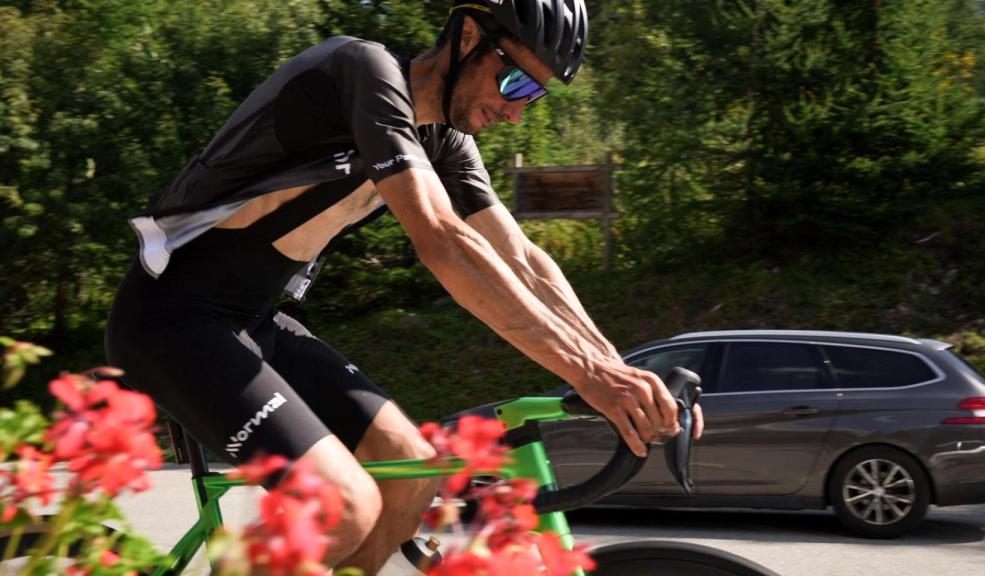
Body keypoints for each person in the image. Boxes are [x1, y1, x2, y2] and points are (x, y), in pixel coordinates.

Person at [105, 0, 703, 573]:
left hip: (255, 321)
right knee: (346, 505)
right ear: (470, 37)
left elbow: (521, 257)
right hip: (173, 320)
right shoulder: (363, 69)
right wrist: (591, 377)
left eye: (536, 95)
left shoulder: (442, 139)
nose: (518, 111)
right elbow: (441, 238)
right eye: (516, 83)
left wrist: (620, 372)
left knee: (415, 472)